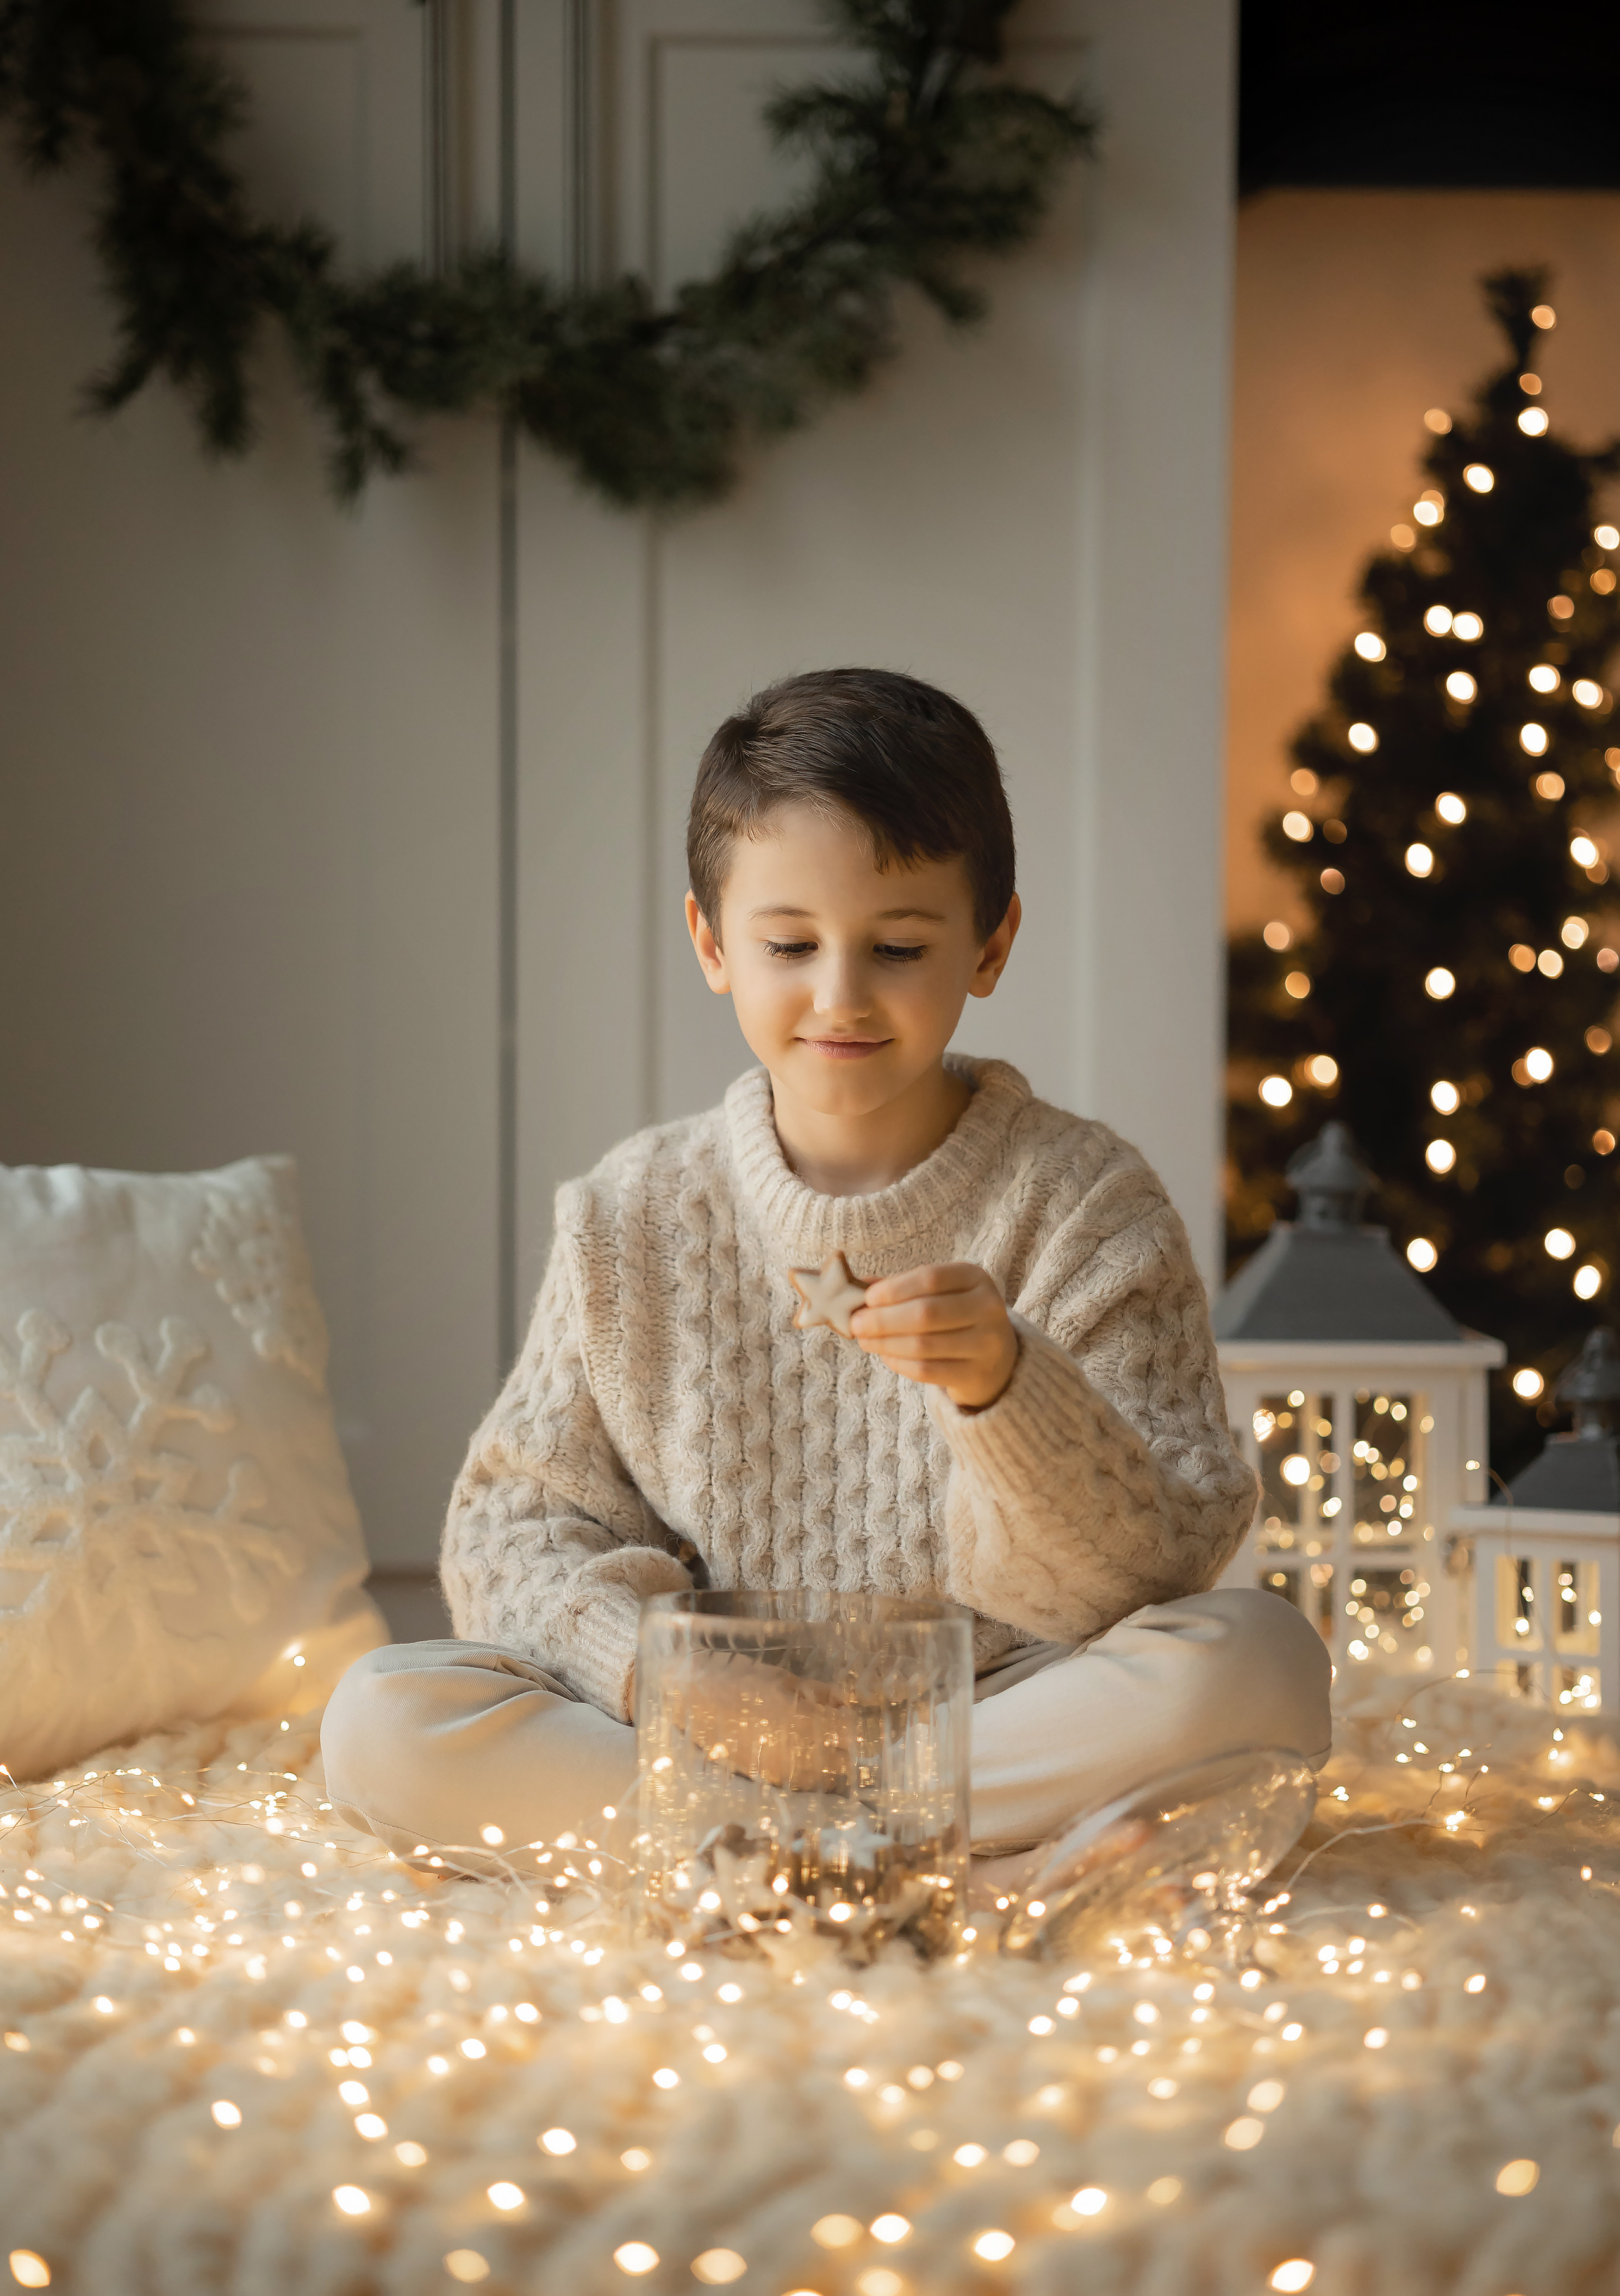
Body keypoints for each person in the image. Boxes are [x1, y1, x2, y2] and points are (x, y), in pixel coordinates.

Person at [321, 668, 1330, 1882]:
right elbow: (510, 1531)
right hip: (715, 1733)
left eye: (899, 946)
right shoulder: (631, 1212)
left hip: (995, 1712)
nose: (841, 996)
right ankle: (932, 1863)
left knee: (1260, 1659)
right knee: (382, 1719)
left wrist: (1008, 1392)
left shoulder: (1085, 1204)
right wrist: (664, 1674)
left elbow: (1166, 1563)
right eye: (791, 944)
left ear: (992, 944)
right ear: (712, 945)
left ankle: (779, 1864)